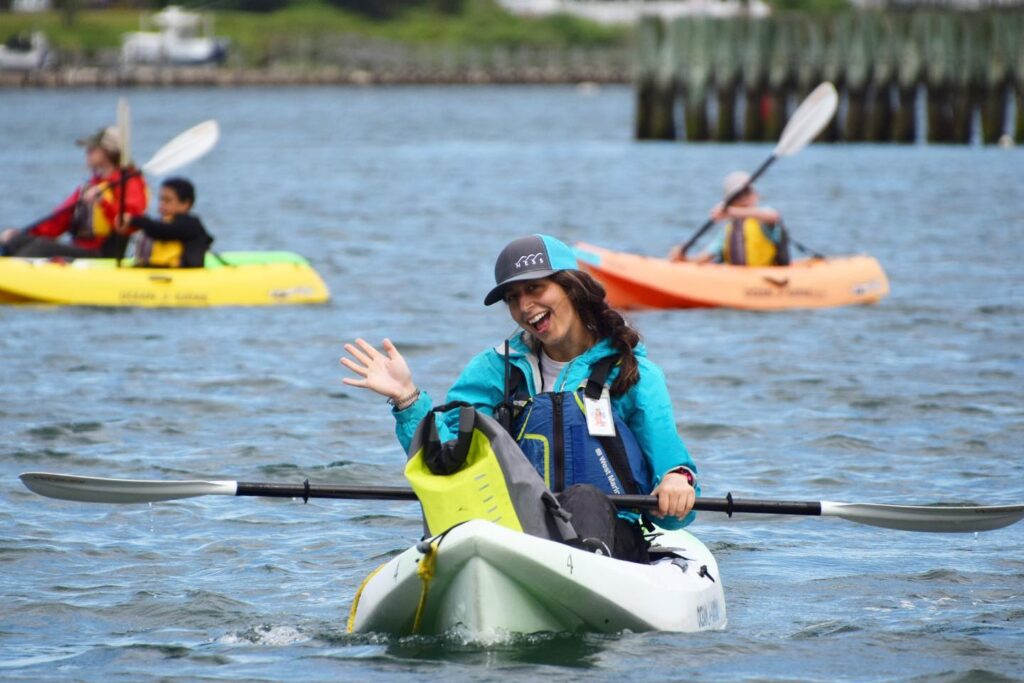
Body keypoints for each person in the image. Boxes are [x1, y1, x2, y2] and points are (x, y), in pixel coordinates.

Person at [340, 234, 698, 563]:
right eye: (513, 298)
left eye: (535, 289)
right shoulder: (492, 370)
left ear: (570, 288)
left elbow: (670, 466)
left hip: (610, 543)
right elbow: (446, 461)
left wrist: (676, 481)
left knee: (585, 497)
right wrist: (407, 399)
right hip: (516, 532)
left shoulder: (635, 373)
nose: (525, 306)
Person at [0, 126, 148, 259]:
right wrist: (22, 233)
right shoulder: (91, 186)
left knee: (39, 248)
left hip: (103, 254)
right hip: (81, 248)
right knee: (15, 242)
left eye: (92, 150)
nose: (87, 153)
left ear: (109, 152)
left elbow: (131, 222)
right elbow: (58, 220)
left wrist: (103, 202)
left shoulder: (129, 182)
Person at [669, 171, 790, 266]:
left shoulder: (764, 218)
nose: (743, 198)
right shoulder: (727, 231)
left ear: (756, 196)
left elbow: (774, 216)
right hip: (737, 281)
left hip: (766, 280)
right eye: (736, 196)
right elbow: (701, 259)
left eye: (746, 192)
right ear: (729, 202)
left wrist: (730, 211)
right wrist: (683, 259)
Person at [119, 177, 213, 268]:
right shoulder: (162, 222)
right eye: (161, 199)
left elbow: (162, 230)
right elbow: (154, 227)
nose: (161, 204)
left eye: (167, 200)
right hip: (161, 269)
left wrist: (134, 219)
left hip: (182, 274)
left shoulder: (190, 224)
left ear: (185, 204)